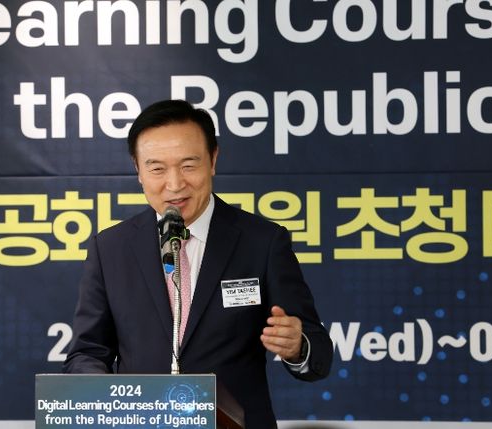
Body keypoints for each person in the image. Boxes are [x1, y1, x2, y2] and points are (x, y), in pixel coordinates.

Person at [63, 99, 333, 428]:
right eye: (157, 169)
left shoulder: (262, 242)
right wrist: (104, 394)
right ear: (138, 170)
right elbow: (88, 351)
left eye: (188, 165)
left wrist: (298, 346)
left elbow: (318, 350)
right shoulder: (110, 249)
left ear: (213, 160)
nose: (175, 184)